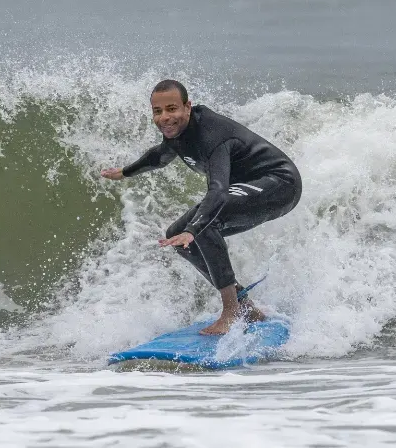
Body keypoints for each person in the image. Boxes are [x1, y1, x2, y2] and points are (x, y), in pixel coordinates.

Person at [101, 79, 302, 335]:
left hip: (281, 184)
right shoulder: (177, 133)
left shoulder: (211, 135)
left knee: (204, 226)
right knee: (177, 233)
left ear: (188, 107)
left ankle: (230, 311)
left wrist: (195, 229)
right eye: (157, 111)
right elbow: (160, 155)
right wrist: (125, 172)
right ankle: (244, 305)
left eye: (172, 109)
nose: (164, 117)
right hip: (250, 186)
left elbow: (217, 190)